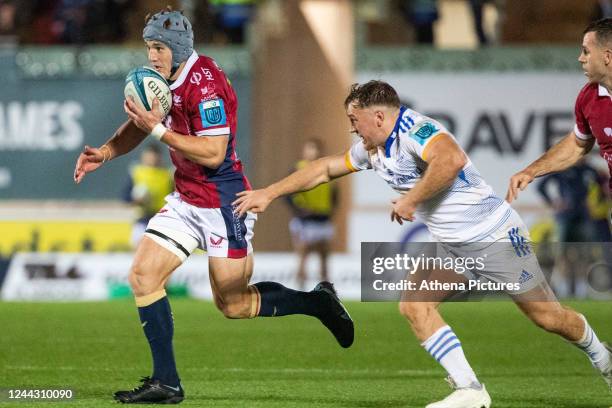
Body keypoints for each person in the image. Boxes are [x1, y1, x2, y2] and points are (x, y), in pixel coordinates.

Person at [234, 80, 612, 408]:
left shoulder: (417, 130)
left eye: (355, 121)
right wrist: (269, 192)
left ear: (378, 117)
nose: (353, 130)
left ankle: (603, 359)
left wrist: (412, 199)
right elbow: (325, 168)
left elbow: (451, 159)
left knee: (547, 317)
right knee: (414, 305)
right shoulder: (374, 147)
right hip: (454, 247)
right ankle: (470, 389)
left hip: (492, 236)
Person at [73, 7, 353, 404]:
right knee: (143, 276)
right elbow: (143, 125)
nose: (151, 56)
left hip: (223, 203)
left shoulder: (205, 84)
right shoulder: (162, 80)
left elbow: (213, 152)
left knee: (233, 304)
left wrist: (157, 128)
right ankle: (166, 383)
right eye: (148, 47)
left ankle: (317, 302)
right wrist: (105, 151)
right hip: (187, 199)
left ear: (177, 48)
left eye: (157, 48)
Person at [287, 139, 337, 289]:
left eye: (314, 149)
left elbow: (335, 195)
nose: (311, 152)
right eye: (309, 149)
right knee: (302, 256)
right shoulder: (298, 169)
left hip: (323, 219)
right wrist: (301, 210)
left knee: (324, 257)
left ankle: (327, 291)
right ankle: (300, 290)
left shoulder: (328, 169)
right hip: (304, 220)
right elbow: (289, 195)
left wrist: (331, 211)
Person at [123, 144, 174, 248]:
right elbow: (125, 197)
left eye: (154, 156)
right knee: (139, 252)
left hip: (162, 221)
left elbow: (174, 197)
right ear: (144, 156)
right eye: (149, 156)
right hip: (142, 220)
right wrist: (136, 200)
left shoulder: (167, 175)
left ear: (159, 157)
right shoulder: (136, 173)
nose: (152, 159)